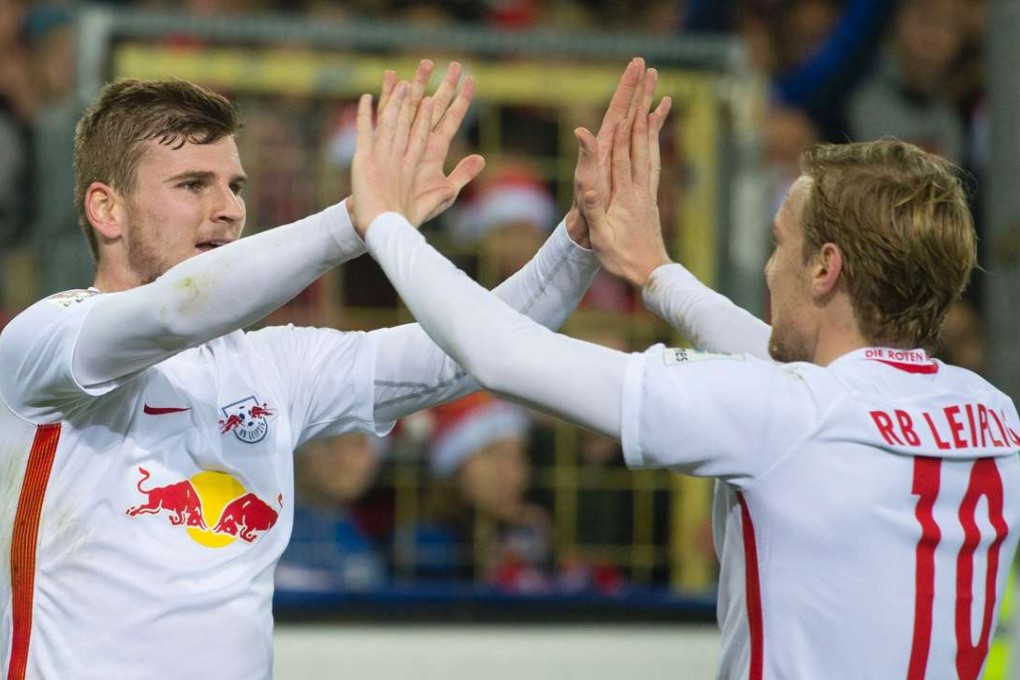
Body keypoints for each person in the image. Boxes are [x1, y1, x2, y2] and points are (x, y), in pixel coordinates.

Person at [351, 59, 1020, 679]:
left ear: (825, 267)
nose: (767, 267)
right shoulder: (992, 414)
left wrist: (385, 222)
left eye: (781, 243)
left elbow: (502, 353)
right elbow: (805, 379)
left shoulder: (788, 415)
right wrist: (655, 273)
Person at [0, 57, 646, 678]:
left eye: (235, 186)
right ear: (106, 209)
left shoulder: (272, 365)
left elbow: (466, 355)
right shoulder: (48, 340)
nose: (228, 209)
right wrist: (355, 220)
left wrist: (577, 242)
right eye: (193, 184)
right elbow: (175, 312)